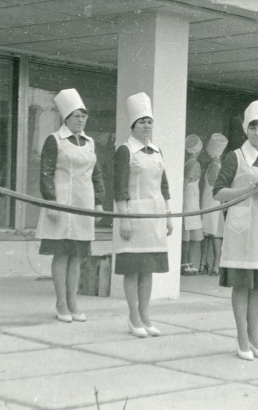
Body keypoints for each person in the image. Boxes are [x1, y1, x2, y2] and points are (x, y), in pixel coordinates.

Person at [214, 99, 258, 361]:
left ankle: (255, 339)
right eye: (253, 127)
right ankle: (241, 340)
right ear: (246, 129)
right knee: (242, 286)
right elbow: (218, 192)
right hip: (241, 231)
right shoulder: (235, 156)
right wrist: (247, 191)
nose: (257, 132)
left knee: (257, 287)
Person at [35, 88, 105, 323]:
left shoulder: (90, 142)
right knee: (62, 253)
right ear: (66, 118)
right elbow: (45, 173)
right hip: (61, 202)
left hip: (83, 202)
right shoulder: (54, 140)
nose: (81, 120)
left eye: (84, 116)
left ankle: (73, 302)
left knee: (77, 255)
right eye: (77, 116)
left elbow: (97, 175)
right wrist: (51, 202)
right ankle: (61, 303)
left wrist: (98, 203)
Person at [113, 92, 173, 338]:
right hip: (134, 216)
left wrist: (168, 216)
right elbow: (119, 187)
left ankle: (146, 315)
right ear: (133, 125)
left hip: (155, 216)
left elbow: (165, 186)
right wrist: (124, 219)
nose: (147, 125)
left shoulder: (157, 150)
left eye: (149, 121)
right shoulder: (124, 150)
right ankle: (133, 317)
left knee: (147, 269)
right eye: (142, 122)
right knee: (132, 268)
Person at [199, 133, 228, 277]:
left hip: (208, 200)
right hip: (214, 201)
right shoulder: (216, 165)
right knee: (216, 235)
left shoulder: (213, 165)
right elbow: (217, 185)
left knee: (207, 234)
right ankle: (215, 264)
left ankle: (203, 262)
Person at [181, 134, 204, 275]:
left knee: (188, 233)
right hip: (191, 199)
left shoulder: (185, 162)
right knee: (190, 234)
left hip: (188, 199)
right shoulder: (195, 164)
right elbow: (186, 182)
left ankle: (186, 262)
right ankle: (186, 263)